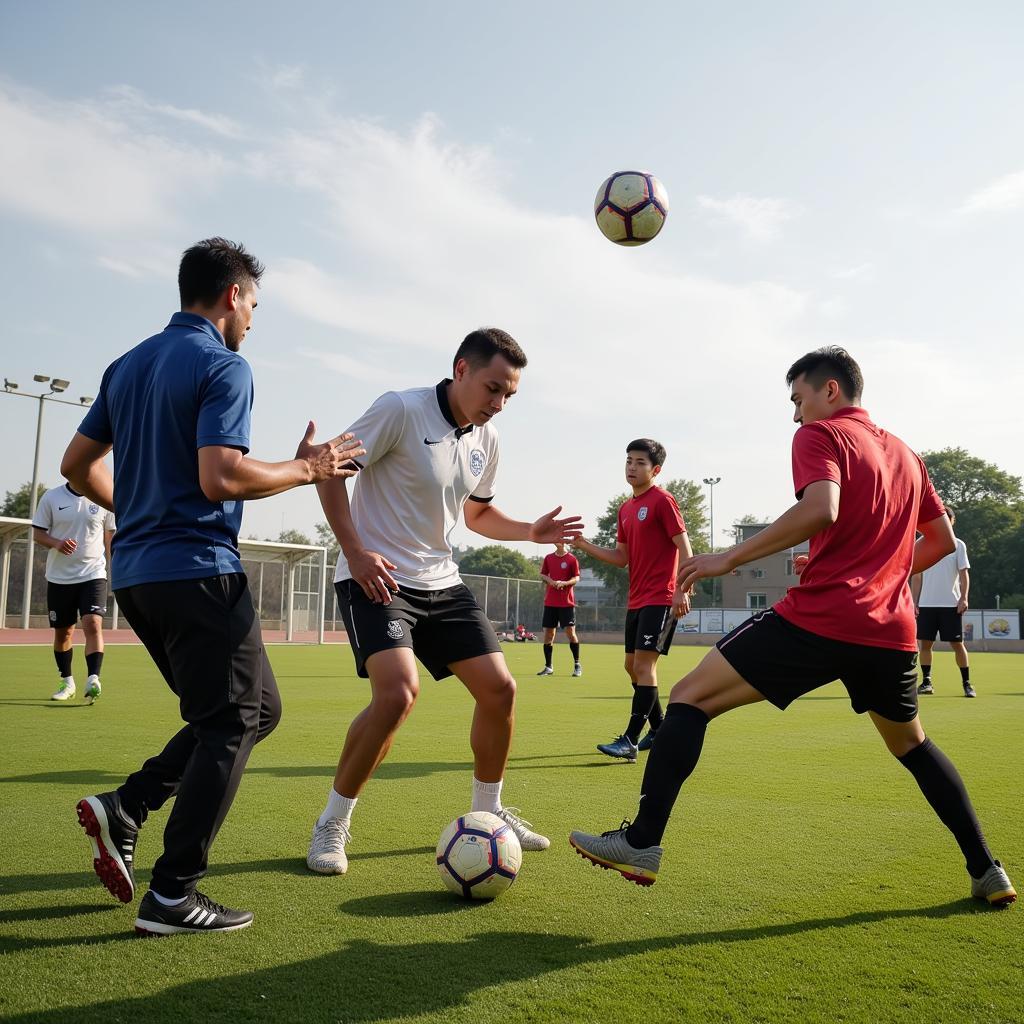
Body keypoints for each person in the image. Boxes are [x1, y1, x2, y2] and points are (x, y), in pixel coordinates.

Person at [569, 347, 1015, 908]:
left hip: (823, 617)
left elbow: (822, 508)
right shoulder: (907, 453)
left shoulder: (821, 435)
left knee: (687, 699)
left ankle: (641, 842)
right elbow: (942, 541)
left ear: (830, 391)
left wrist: (727, 558)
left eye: (797, 399)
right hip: (890, 631)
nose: (796, 415)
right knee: (912, 744)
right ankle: (986, 869)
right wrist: (878, 569)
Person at [61, 237, 363, 936]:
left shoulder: (128, 363)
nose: (254, 317)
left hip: (137, 578)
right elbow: (221, 477)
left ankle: (130, 805)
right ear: (232, 295)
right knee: (230, 722)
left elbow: (77, 465)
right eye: (254, 303)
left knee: (253, 710)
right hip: (196, 572)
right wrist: (307, 469)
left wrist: (137, 512)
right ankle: (173, 893)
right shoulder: (225, 366)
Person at [309, 327, 582, 876]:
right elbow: (327, 471)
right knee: (397, 695)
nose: (498, 404)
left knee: (501, 689)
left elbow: (477, 514)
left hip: (441, 580)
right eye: (492, 388)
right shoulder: (400, 410)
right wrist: (355, 552)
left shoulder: (487, 440)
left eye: (509, 395)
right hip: (377, 577)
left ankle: (489, 814)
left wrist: (532, 530)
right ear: (461, 369)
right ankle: (332, 824)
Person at [572, 440, 692, 763]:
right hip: (636, 600)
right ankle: (659, 729)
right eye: (628, 461)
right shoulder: (625, 509)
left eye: (639, 462)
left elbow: (685, 547)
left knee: (644, 666)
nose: (631, 467)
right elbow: (620, 557)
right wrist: (584, 545)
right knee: (632, 667)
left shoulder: (663, 502)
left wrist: (683, 588)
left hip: (662, 598)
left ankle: (630, 740)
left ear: (655, 470)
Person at [32, 482, 115, 703]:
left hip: (94, 573)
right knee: (64, 633)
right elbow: (38, 534)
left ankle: (93, 678)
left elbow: (110, 538)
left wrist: (118, 565)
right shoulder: (52, 497)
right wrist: (56, 543)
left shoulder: (103, 495)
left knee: (93, 624)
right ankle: (67, 681)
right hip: (59, 578)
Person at [912, 509, 975, 698]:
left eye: (947, 519)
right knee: (925, 645)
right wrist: (914, 601)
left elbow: (964, 573)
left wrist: (963, 597)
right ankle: (927, 682)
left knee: (957, 644)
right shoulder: (920, 544)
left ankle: (967, 683)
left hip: (950, 604)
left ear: (952, 521)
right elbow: (916, 576)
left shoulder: (958, 545)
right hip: (926, 605)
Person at [537, 541, 582, 677]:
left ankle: (577, 665)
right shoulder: (548, 558)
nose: (557, 540)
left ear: (564, 541)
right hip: (550, 602)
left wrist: (565, 583)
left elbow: (577, 577)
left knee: (570, 633)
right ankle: (548, 667)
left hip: (566, 603)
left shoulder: (572, 559)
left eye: (560, 538)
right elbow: (543, 574)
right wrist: (552, 582)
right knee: (548, 635)